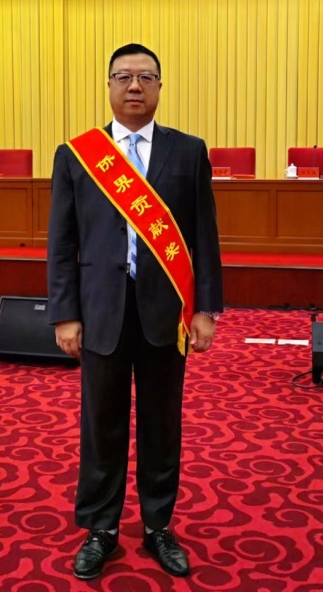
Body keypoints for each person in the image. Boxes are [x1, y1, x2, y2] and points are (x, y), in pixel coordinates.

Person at [46, 43, 223, 580]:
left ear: (160, 86)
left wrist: (206, 308)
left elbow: (204, 236)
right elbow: (62, 242)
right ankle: (101, 528)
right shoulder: (77, 156)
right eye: (123, 76)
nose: (134, 86)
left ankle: (157, 525)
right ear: (109, 86)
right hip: (100, 310)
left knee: (161, 423)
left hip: (165, 312)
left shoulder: (188, 152)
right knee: (101, 423)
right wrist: (64, 313)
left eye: (146, 77)